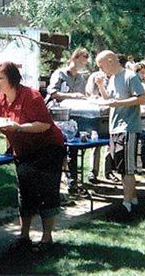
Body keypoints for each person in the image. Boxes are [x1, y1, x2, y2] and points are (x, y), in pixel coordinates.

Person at [0, 61, 66, 253]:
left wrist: (18, 127)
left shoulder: (31, 96)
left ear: (12, 79)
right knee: (25, 193)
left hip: (48, 148)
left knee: (47, 191)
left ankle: (46, 239)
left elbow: (44, 125)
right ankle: (24, 236)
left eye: (1, 78)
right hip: (23, 152)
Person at [95, 51, 145, 222]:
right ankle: (133, 199)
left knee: (127, 168)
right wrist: (101, 86)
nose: (100, 69)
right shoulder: (111, 79)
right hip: (115, 127)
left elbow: (141, 98)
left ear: (110, 60)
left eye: (101, 65)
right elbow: (110, 100)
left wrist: (119, 103)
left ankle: (127, 206)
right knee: (121, 166)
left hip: (128, 127)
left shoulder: (130, 76)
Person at [46, 48, 89, 194]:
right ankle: (58, 184)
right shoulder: (60, 74)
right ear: (75, 58)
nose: (83, 65)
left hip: (73, 117)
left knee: (73, 148)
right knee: (58, 150)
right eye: (82, 61)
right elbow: (53, 93)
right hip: (57, 116)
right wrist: (73, 96)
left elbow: (81, 97)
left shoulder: (81, 78)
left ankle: (72, 182)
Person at [85, 54, 110, 184]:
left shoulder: (114, 77)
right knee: (96, 143)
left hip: (111, 113)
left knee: (110, 143)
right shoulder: (94, 76)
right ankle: (93, 172)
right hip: (98, 113)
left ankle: (108, 171)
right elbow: (89, 93)